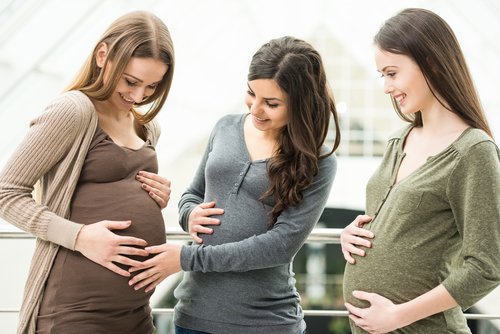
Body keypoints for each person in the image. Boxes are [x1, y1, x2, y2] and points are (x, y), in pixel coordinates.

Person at [127, 36, 341, 334]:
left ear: (301, 103)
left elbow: (279, 246)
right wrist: (189, 214)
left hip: (266, 322)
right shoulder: (225, 127)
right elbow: (191, 195)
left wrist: (188, 257)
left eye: (272, 103)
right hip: (194, 315)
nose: (255, 109)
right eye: (251, 93)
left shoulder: (319, 163)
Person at [0, 11, 175, 334]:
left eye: (152, 86)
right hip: (75, 312)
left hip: (136, 314)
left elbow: (109, 190)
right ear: (102, 56)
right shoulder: (74, 111)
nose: (138, 96)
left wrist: (154, 197)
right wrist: (80, 237)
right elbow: (6, 193)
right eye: (131, 82)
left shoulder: (147, 126)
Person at [340, 8, 500, 334]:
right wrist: (350, 236)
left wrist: (400, 315)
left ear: (431, 63)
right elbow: (397, 227)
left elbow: (487, 266)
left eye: (392, 73)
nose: (386, 87)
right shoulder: (399, 139)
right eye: (381, 75)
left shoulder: (473, 152)